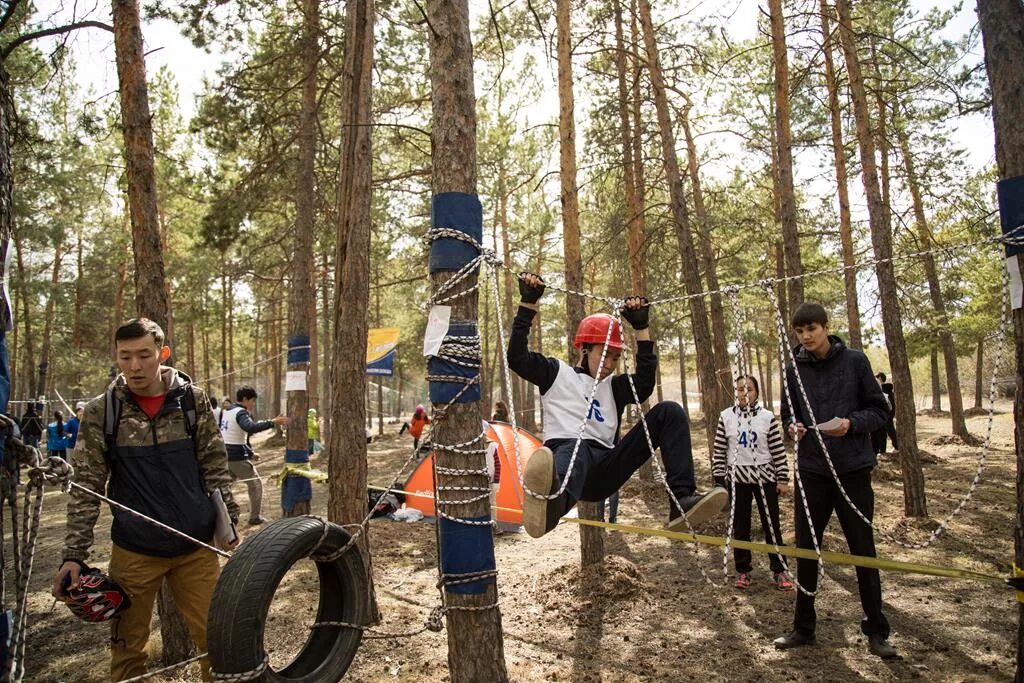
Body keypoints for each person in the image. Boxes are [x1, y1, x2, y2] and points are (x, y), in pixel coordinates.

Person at [50, 317, 240, 682]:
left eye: (143, 355)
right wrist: (74, 555)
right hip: (134, 552)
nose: (134, 366)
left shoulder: (192, 401)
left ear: (161, 354)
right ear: (116, 357)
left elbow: (214, 466)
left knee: (217, 644)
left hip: (196, 547)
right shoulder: (101, 412)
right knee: (127, 650)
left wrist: (228, 522)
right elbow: (86, 487)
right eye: (125, 357)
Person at [509, 272, 727, 538]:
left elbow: (645, 384)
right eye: (605, 355)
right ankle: (549, 508)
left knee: (669, 411)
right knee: (578, 450)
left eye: (615, 357)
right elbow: (517, 358)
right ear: (585, 349)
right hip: (567, 457)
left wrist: (641, 329)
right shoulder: (556, 373)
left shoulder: (613, 386)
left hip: (605, 468)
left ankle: (681, 501)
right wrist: (528, 304)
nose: (610, 364)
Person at [773, 303, 897, 658]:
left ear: (826, 327)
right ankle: (803, 628)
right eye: (799, 331)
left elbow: (879, 411)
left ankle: (876, 630)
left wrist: (851, 424)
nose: (806, 336)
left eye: (811, 328)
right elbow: (787, 415)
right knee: (806, 551)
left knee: (863, 550)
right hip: (812, 472)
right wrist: (792, 428)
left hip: (853, 470)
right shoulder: (792, 370)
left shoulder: (855, 362)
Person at [712, 375, 793, 591]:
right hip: (738, 480)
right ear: (735, 392)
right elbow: (719, 450)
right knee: (741, 527)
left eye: (748, 389)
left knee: (771, 525)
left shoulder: (767, 417)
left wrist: (783, 478)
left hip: (765, 478)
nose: (744, 393)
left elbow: (777, 450)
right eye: (739, 389)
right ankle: (743, 571)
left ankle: (779, 569)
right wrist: (719, 481)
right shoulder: (726, 416)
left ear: (756, 392)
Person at [221, 385, 287, 525]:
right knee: (256, 484)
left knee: (225, 488)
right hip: (236, 458)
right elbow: (250, 427)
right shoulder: (241, 413)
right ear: (245, 399)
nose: (253, 404)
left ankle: (223, 517)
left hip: (225, 455)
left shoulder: (228, 411)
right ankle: (254, 517)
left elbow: (235, 436)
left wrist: (250, 453)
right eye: (252, 400)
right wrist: (273, 422)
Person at [871, 372, 898, 455]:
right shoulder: (884, 390)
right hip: (883, 415)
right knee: (881, 432)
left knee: (887, 432)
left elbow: (891, 405)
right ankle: (879, 450)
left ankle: (894, 447)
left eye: (877, 378)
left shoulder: (885, 391)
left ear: (880, 379)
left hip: (886, 415)